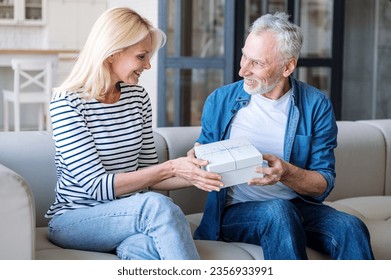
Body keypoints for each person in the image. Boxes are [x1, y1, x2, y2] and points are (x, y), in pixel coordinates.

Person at [190, 12, 374, 260]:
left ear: (288, 66)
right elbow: (204, 158)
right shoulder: (221, 100)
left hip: (297, 206)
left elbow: (323, 183)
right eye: (244, 55)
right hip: (235, 211)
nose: (242, 69)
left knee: (351, 227)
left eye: (257, 63)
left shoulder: (315, 105)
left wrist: (286, 173)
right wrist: (198, 159)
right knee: (279, 212)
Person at [45, 7, 222, 260]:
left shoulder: (137, 97)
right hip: (74, 220)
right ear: (112, 53)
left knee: (143, 249)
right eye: (142, 56)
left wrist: (200, 171)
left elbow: (149, 174)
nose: (148, 65)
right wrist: (171, 167)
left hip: (128, 219)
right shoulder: (67, 103)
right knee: (156, 206)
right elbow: (96, 187)